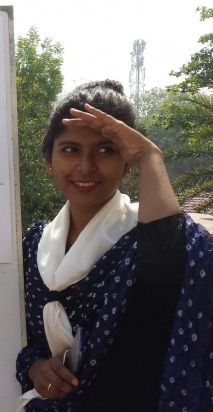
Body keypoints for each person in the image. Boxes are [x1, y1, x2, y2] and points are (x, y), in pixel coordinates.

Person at [15, 80, 213, 411]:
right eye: (70, 150)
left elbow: (172, 268)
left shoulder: (145, 238)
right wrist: (36, 366)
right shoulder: (33, 245)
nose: (85, 167)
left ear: (128, 162)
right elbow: (17, 337)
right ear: (49, 160)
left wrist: (151, 156)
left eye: (106, 150)